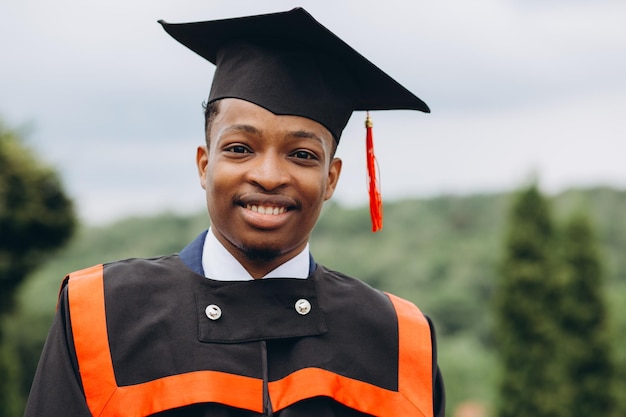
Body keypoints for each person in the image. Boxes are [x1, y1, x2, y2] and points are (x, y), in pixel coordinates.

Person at [24, 7, 445, 417]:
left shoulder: (398, 339)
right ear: (205, 165)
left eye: (301, 154)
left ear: (331, 178)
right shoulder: (101, 314)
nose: (268, 176)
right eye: (240, 149)